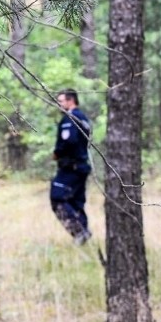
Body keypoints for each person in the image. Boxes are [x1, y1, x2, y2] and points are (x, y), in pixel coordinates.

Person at [50, 89, 93, 245]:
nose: (59, 105)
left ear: (71, 101)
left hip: (71, 168)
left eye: (61, 101)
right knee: (76, 202)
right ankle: (83, 234)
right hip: (81, 167)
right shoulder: (83, 118)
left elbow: (70, 141)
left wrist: (57, 153)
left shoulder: (71, 118)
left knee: (57, 197)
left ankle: (79, 232)